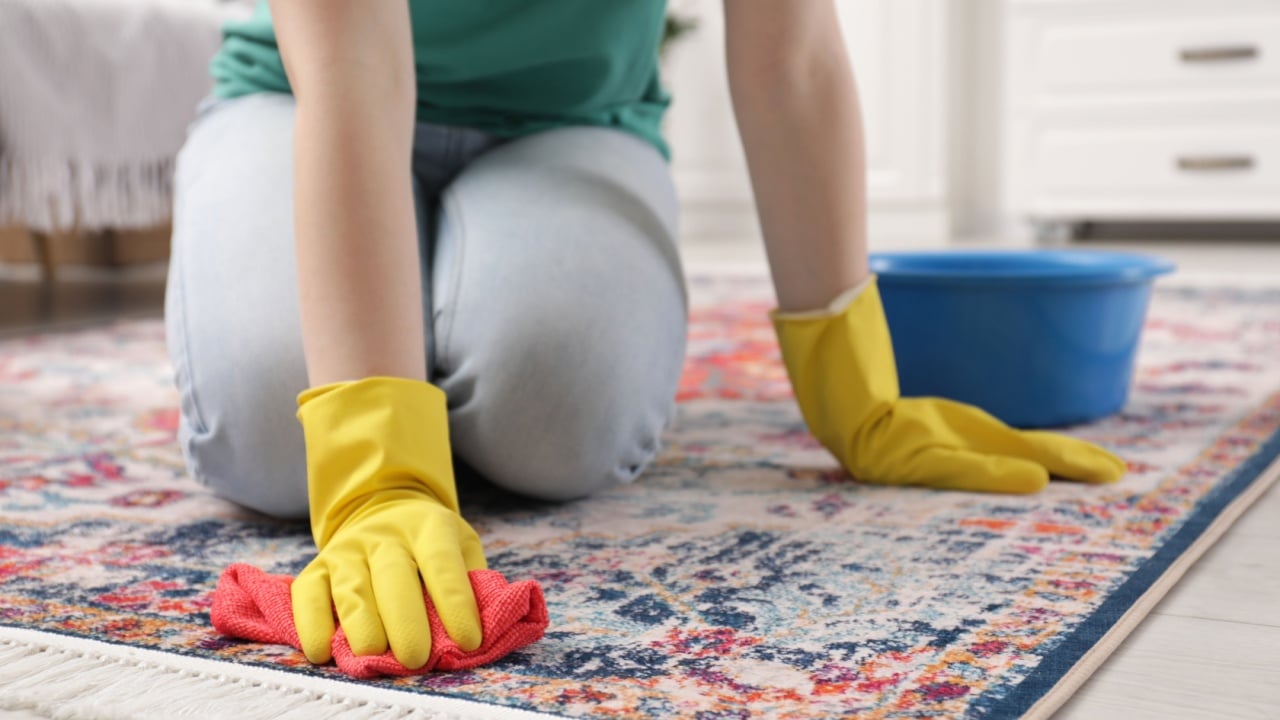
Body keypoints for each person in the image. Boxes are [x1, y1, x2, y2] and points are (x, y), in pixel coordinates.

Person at [165, 0, 1126, 673]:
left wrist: (856, 390)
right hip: (303, 95)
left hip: (572, 124)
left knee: (560, 422)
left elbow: (788, 53)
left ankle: (437, 368)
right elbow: (353, 63)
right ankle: (413, 391)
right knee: (268, 432)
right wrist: (374, 471)